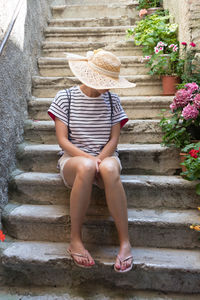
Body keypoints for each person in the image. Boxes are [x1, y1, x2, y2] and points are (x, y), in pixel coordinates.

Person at [48, 49, 136, 273]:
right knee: (87, 167)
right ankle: (75, 240)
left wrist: (100, 158)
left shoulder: (113, 99)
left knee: (108, 168)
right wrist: (90, 159)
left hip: (106, 156)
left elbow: (114, 139)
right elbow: (62, 140)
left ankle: (125, 243)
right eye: (103, 81)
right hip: (74, 160)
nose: (107, 86)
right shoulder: (64, 97)